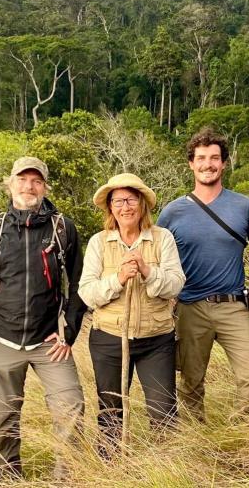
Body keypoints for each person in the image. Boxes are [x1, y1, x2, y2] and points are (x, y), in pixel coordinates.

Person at [0, 156, 86, 480]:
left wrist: (69, 332)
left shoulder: (63, 228)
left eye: (36, 181)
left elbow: (78, 284)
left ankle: (67, 479)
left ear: (45, 187)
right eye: (22, 179)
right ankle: (6, 476)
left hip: (49, 342)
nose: (29, 186)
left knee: (71, 407)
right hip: (2, 338)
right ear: (10, 184)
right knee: (4, 419)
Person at [157, 128, 249, 421]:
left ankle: (242, 431)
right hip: (190, 307)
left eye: (215, 158)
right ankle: (198, 438)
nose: (208, 164)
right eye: (201, 158)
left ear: (224, 163)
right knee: (191, 384)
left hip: (234, 305)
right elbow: (157, 259)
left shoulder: (244, 207)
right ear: (191, 164)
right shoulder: (171, 213)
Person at [78, 173, 185, 456]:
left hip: (156, 339)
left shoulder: (162, 238)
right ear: (110, 208)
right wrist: (119, 278)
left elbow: (176, 284)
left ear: (142, 203)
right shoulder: (99, 242)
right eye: (118, 201)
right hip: (109, 339)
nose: (125, 207)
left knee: (163, 411)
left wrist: (148, 271)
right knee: (111, 411)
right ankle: (111, 467)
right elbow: (87, 293)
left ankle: (168, 468)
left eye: (131, 200)